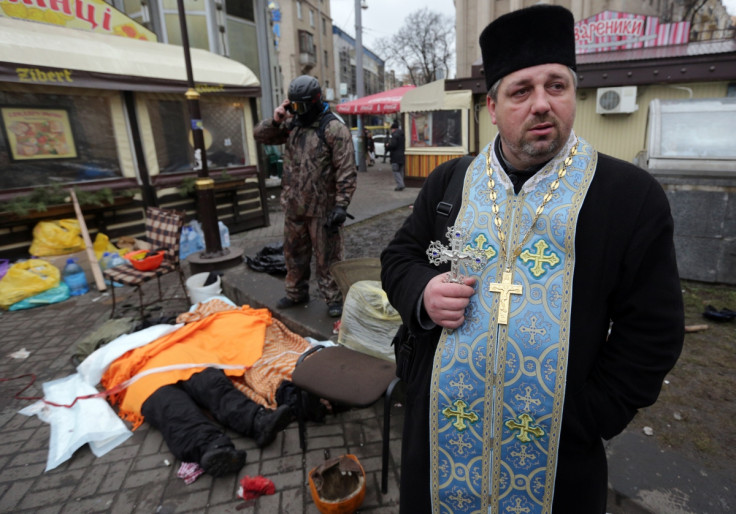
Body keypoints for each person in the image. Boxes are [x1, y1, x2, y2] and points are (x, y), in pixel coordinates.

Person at [380, 5, 684, 513]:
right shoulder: (449, 183)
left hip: (557, 455)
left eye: (557, 86)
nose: (542, 104)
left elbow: (653, 332)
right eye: (521, 91)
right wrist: (423, 293)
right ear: (492, 107)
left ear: (573, 94)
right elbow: (399, 257)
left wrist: (586, 417)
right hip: (440, 437)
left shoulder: (630, 198)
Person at [254, 75, 357, 318]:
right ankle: (295, 293)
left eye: (301, 106)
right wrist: (277, 118)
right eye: (294, 106)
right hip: (294, 207)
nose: (298, 111)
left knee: (328, 258)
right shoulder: (292, 125)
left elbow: (346, 170)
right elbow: (262, 136)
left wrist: (341, 205)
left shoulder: (333, 128)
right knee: (293, 254)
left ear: (314, 101)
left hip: (323, 210)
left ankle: (334, 298)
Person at [141, 368, 292, 477]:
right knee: (170, 405)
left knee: (211, 383)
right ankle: (210, 448)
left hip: (174, 354)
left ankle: (258, 421)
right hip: (139, 370)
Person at [386, 120, 405, 191]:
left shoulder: (395, 135)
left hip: (395, 157)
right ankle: (401, 184)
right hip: (402, 156)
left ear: (393, 129)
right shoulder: (402, 135)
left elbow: (393, 145)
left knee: (395, 171)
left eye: (392, 129)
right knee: (400, 171)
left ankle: (400, 185)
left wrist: (388, 145)